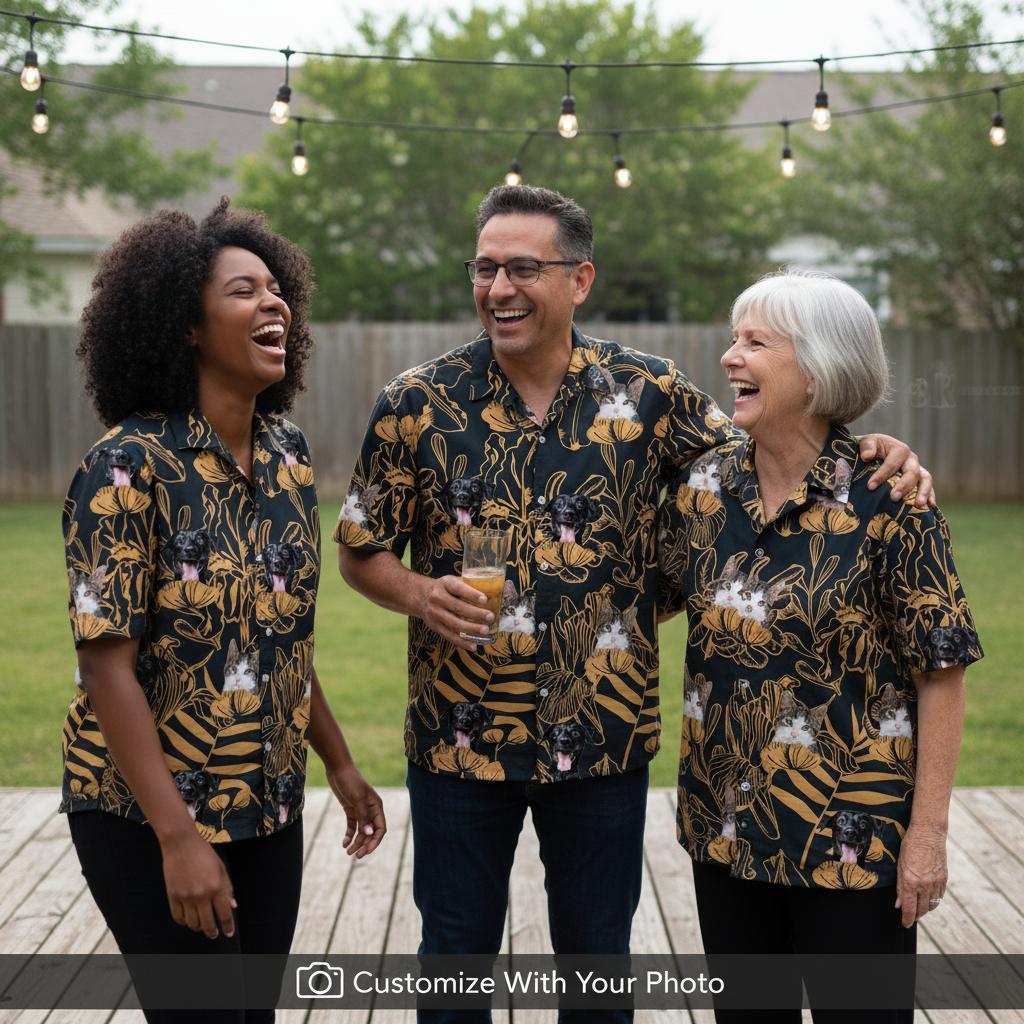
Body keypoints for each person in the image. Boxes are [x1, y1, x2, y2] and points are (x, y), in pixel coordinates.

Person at [335, 185, 930, 1024]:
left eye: (522, 268)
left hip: (604, 739)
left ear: (579, 280)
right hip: (460, 738)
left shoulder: (651, 393)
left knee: (598, 966)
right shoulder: (414, 402)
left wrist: (878, 444)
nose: (498, 287)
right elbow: (360, 547)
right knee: (454, 955)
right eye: (485, 267)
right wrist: (417, 593)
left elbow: (778, 454)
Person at [62, 198, 386, 1023]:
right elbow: (107, 668)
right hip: (146, 815)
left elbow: (279, 640)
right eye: (244, 291)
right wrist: (178, 838)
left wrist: (339, 764)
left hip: (267, 801)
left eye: (278, 290)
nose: (274, 303)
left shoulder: (287, 458)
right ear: (186, 325)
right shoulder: (127, 467)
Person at [658, 269, 982, 1023]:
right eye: (734, 338)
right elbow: (642, 596)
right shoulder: (702, 489)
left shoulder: (891, 497)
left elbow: (943, 669)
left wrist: (927, 836)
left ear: (819, 369)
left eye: (756, 342)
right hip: (726, 831)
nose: (730, 357)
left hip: (850, 837)